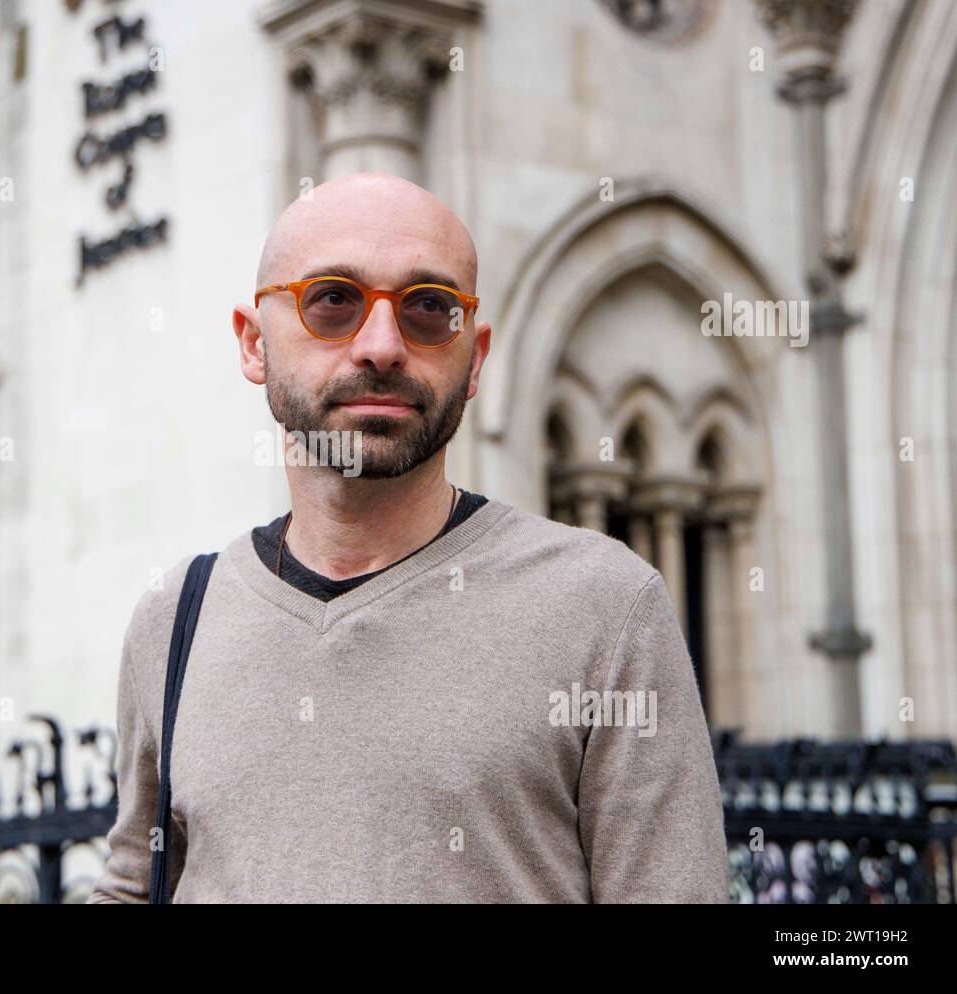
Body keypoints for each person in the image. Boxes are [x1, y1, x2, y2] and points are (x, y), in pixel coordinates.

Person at [89, 172, 729, 903]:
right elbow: (132, 884)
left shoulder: (604, 606)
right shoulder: (176, 620)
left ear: (476, 356)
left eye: (429, 308)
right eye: (333, 300)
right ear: (253, 342)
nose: (383, 345)